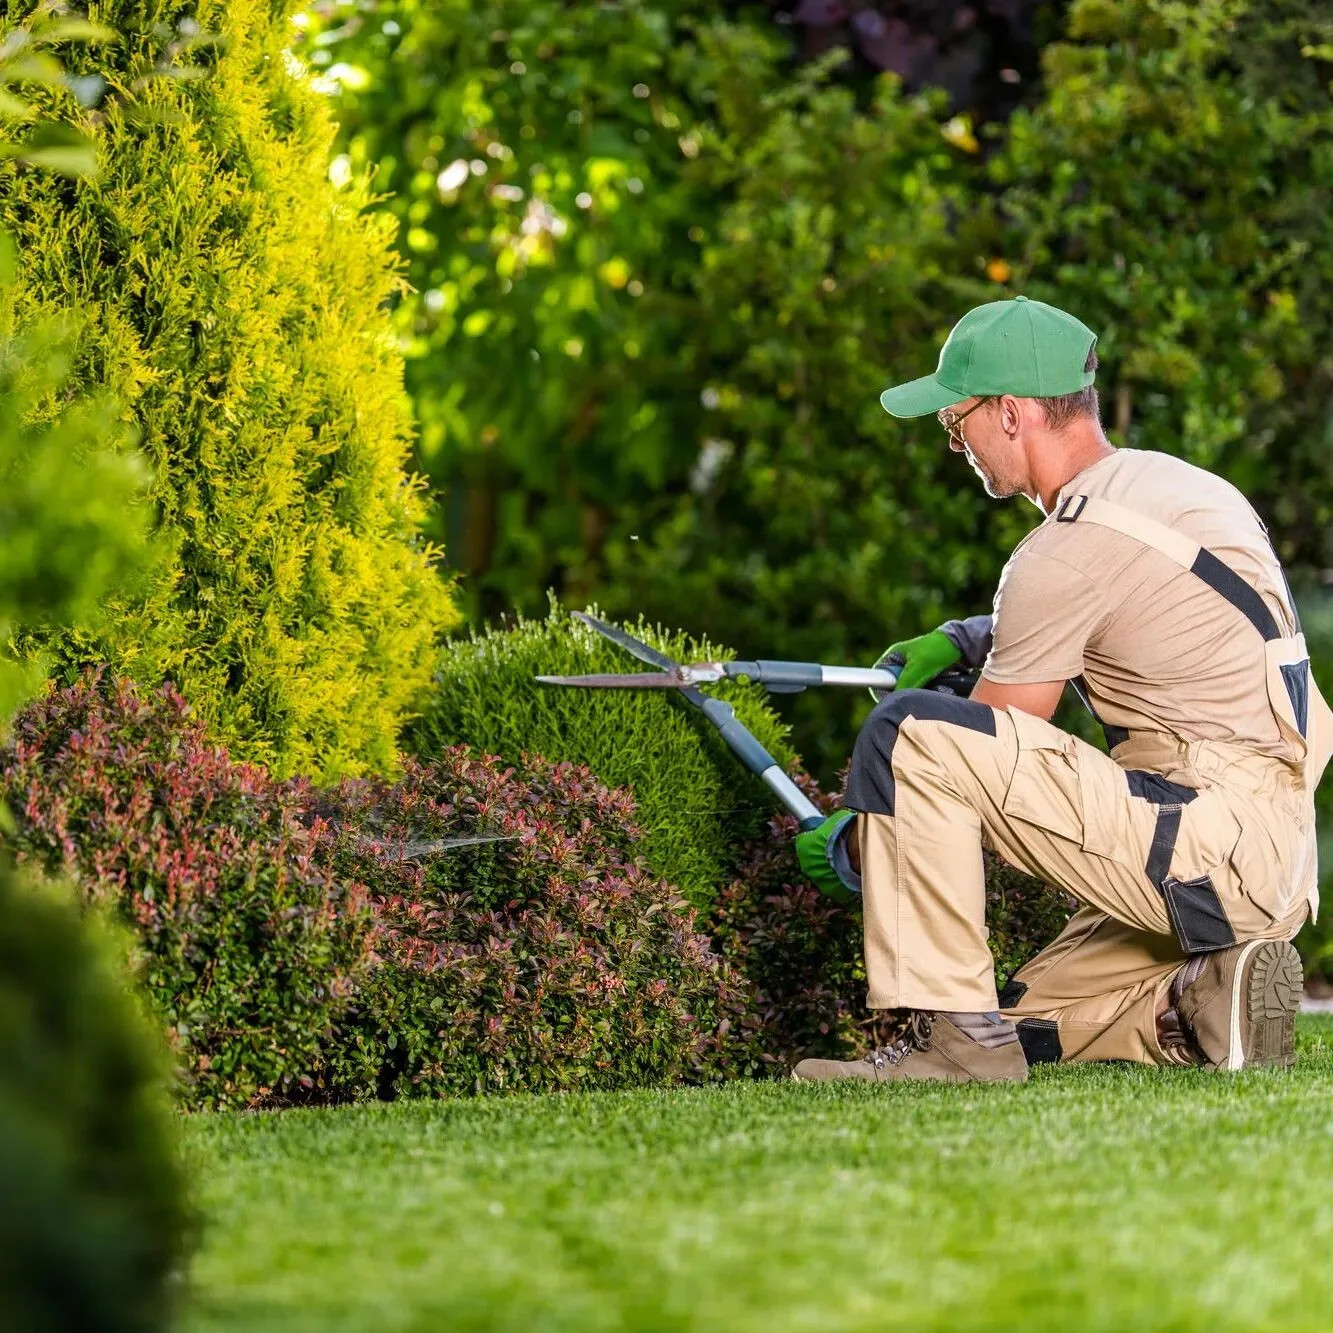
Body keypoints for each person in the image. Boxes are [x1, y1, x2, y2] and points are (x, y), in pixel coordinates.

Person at [792, 296, 1332, 1083]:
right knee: (1015, 1015)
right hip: (1270, 856)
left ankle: (956, 1052)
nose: (951, 436)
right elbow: (1137, 609)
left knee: (908, 734)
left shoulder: (1063, 548)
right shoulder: (1175, 489)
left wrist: (857, 838)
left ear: (1010, 414)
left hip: (1203, 844)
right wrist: (970, 636)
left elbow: (984, 751)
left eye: (957, 414)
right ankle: (1194, 1000)